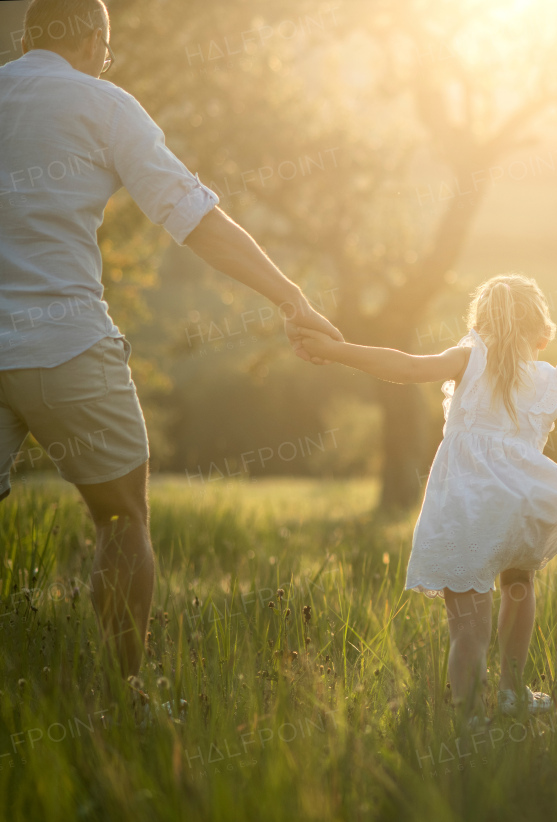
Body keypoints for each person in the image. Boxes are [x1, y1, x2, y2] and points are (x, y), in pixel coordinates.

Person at [0, 0, 342, 684]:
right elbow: (195, 219)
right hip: (68, 343)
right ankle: (126, 694)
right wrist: (291, 296)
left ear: (29, 36)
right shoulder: (104, 103)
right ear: (95, 40)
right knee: (121, 519)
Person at [297, 274, 557, 726]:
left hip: (467, 507)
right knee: (519, 584)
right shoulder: (549, 383)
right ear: (542, 332)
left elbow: (407, 366)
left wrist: (335, 350)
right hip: (521, 501)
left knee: (468, 629)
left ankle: (470, 720)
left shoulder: (467, 358)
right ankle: (512, 692)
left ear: (481, 326)